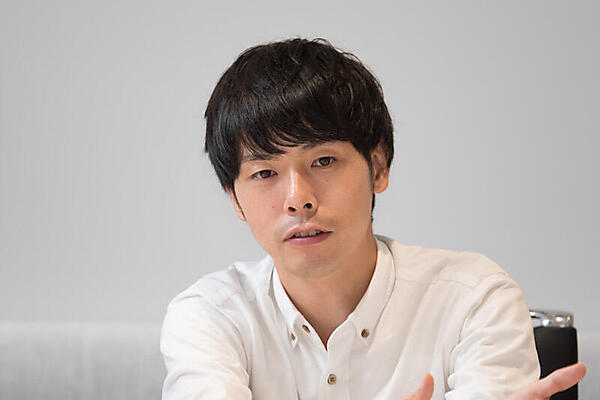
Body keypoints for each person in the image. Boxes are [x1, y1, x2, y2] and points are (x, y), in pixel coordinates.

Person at [160, 38, 586, 399]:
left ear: (378, 166)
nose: (298, 200)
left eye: (323, 161)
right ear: (234, 199)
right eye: (264, 173)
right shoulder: (210, 317)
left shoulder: (474, 299)